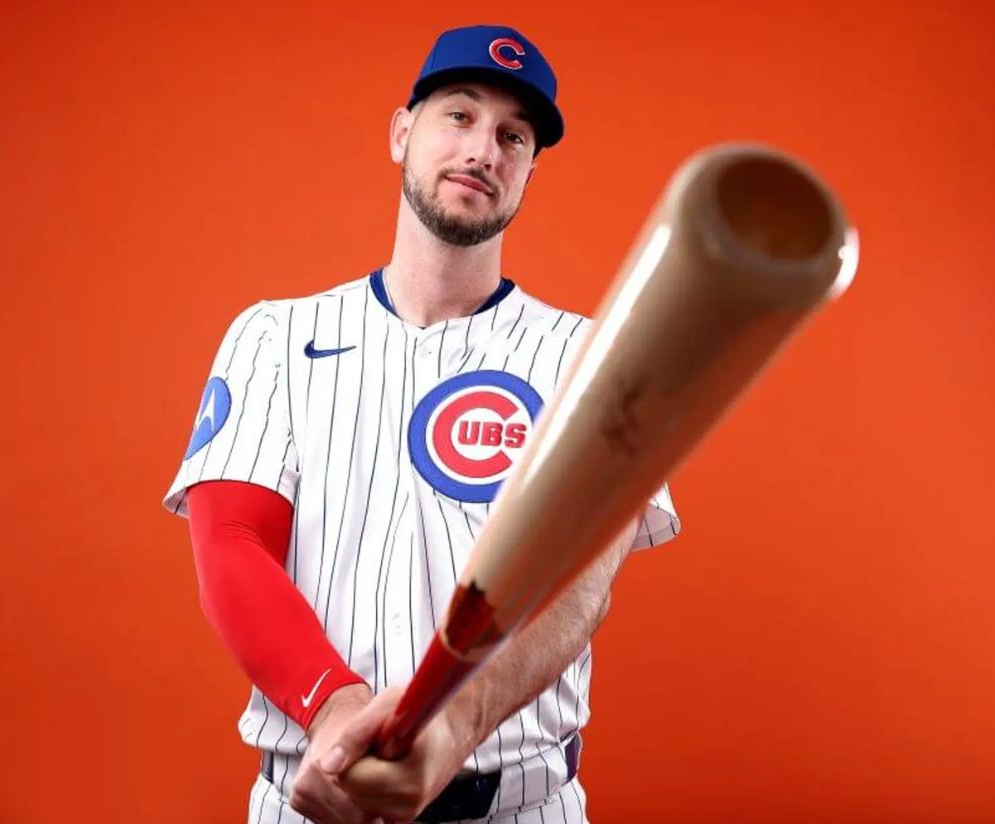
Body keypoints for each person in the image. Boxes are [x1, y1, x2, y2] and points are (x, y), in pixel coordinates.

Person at [163, 24, 680, 824]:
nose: (484, 149)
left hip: (518, 806)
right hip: (312, 798)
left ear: (528, 172)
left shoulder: (588, 355)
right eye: (459, 116)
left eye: (513, 136)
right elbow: (230, 542)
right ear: (402, 132)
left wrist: (458, 724)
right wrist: (333, 706)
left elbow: (581, 584)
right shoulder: (272, 334)